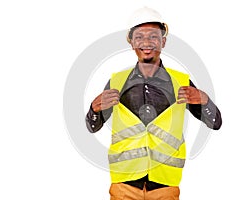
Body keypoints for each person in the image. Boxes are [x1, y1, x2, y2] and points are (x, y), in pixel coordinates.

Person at [86, 7, 222, 200]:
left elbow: (215, 123)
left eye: (153, 37)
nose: (146, 43)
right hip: (124, 186)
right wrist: (94, 109)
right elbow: (92, 127)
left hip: (164, 188)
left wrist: (205, 101)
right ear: (131, 42)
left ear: (163, 42)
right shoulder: (117, 82)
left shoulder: (180, 82)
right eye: (139, 37)